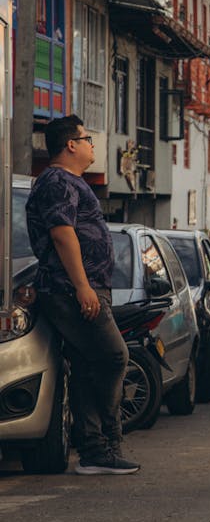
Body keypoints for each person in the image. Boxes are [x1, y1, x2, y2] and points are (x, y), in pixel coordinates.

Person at [25, 115, 139, 475]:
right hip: (69, 289)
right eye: (87, 138)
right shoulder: (57, 181)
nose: (93, 144)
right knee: (112, 357)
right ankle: (101, 443)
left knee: (90, 363)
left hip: (81, 288)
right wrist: (82, 286)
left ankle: (94, 450)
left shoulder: (71, 181)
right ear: (71, 145)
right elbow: (62, 234)